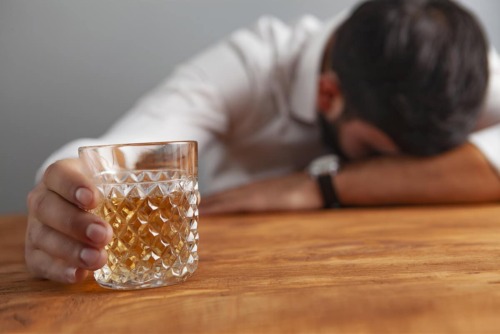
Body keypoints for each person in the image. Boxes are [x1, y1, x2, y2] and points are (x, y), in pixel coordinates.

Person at [26, 0, 500, 284]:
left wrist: (320, 187)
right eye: (376, 152)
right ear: (328, 93)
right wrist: (63, 194)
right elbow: (114, 151)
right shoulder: (250, 68)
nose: (398, 170)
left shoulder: (459, 76)